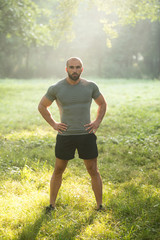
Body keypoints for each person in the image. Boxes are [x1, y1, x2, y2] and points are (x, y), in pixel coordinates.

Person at [38, 57, 107, 212]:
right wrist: (54, 124)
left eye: (78, 67)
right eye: (71, 67)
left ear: (82, 69)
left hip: (86, 135)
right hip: (65, 135)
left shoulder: (90, 86)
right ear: (66, 69)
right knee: (58, 170)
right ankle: (51, 205)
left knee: (93, 170)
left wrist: (97, 122)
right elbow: (42, 106)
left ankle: (100, 206)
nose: (74, 70)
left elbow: (102, 103)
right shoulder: (56, 88)